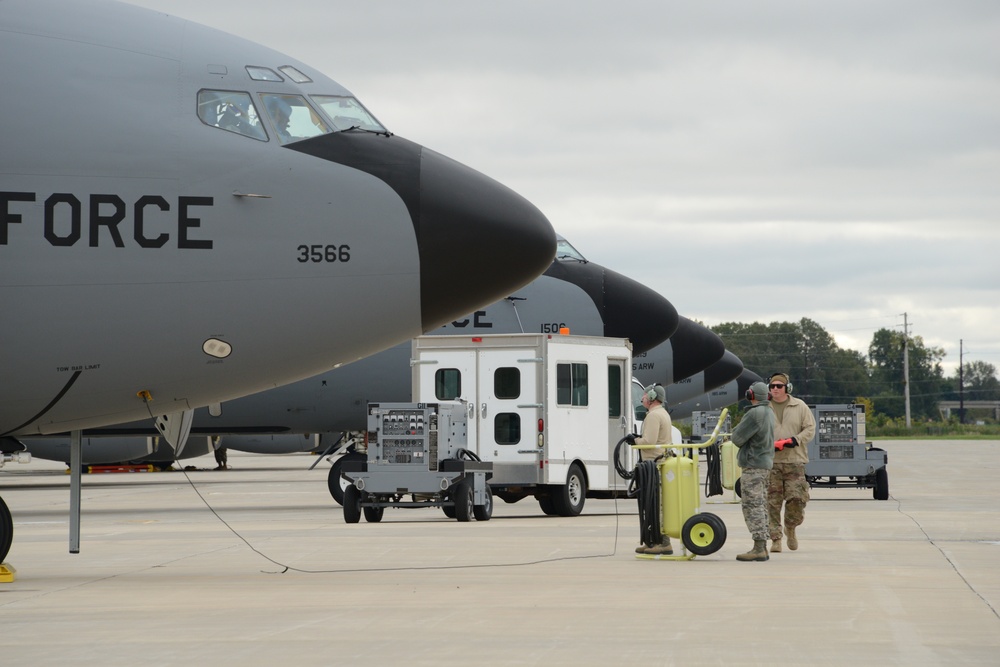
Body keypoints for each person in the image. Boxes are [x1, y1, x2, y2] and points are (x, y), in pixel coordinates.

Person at [766, 372, 817, 553]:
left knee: (796, 499)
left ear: (787, 388)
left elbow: (810, 428)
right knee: (772, 502)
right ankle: (776, 539)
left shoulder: (799, 406)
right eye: (772, 386)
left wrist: (795, 440)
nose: (775, 389)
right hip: (771, 462)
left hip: (794, 461)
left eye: (779, 386)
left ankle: (791, 527)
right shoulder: (765, 408)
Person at [729, 381, 776, 561]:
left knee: (752, 505)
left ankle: (759, 547)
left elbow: (737, 438)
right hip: (764, 465)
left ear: (751, 395)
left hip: (753, 466)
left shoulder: (755, 413)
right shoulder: (769, 412)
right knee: (761, 504)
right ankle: (762, 545)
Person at [625, 384, 673, 555]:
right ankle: (652, 541)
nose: (643, 397)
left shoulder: (653, 416)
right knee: (652, 503)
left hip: (653, 465)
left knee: (655, 504)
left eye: (645, 394)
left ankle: (663, 542)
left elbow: (649, 442)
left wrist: (635, 441)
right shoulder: (663, 413)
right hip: (657, 463)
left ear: (652, 396)